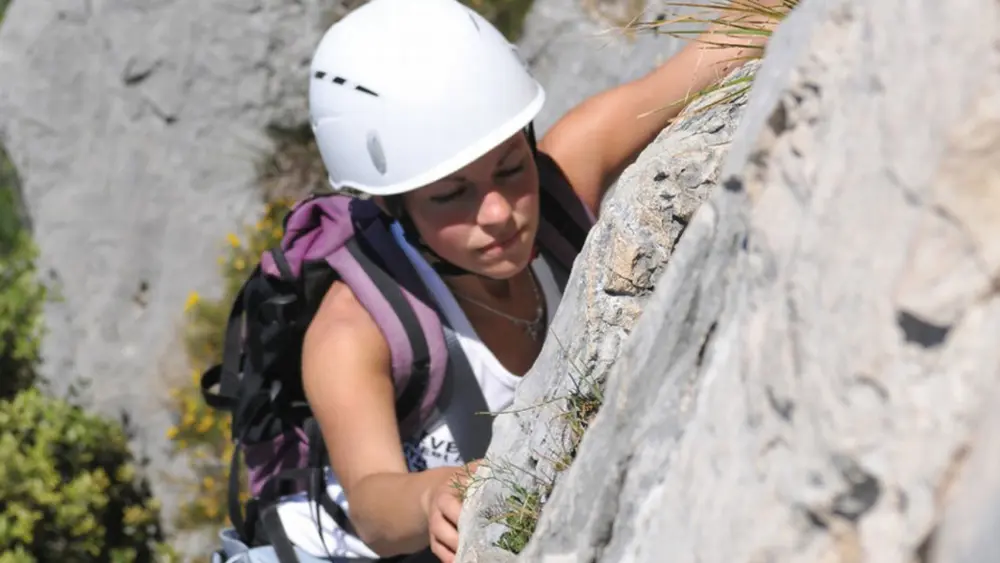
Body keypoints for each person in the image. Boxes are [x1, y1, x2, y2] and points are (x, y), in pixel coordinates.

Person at [216, 0, 776, 561]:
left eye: (510, 167)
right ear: (393, 206)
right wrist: (432, 496)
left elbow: (715, 53)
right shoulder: (354, 330)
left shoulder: (560, 190)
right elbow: (373, 507)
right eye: (450, 195)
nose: (499, 213)